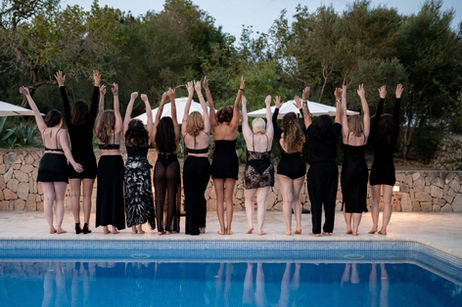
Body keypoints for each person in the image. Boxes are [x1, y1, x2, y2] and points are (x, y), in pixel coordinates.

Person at [19, 86, 83, 234]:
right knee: (59, 199)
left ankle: (50, 227)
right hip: (58, 162)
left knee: (48, 198)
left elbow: (35, 112)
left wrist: (28, 96)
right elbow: (66, 150)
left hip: (45, 161)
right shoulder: (61, 132)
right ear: (60, 120)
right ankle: (59, 227)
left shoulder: (44, 130)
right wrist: (74, 164)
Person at [54, 70, 100, 234]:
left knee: (74, 195)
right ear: (86, 111)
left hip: (74, 160)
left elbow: (65, 105)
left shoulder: (71, 123)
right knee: (87, 196)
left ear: (74, 111)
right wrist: (96, 84)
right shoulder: (89, 122)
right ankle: (87, 225)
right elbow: (95, 105)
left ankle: (76, 224)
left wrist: (61, 85)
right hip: (89, 160)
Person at [301, 86, 342, 237]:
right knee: (330, 200)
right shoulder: (334, 133)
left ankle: (316, 231)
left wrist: (304, 100)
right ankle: (328, 230)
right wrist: (338, 99)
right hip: (331, 169)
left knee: (316, 200)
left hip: (316, 170)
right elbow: (339, 115)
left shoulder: (313, 133)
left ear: (317, 124)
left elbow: (306, 117)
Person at [209, 77, 244, 235]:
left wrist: (206, 89)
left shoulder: (215, 128)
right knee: (229, 198)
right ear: (230, 116)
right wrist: (240, 89)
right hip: (230, 161)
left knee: (219, 198)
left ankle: (221, 228)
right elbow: (236, 106)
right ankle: (229, 229)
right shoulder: (233, 127)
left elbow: (210, 106)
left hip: (218, 161)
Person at [369, 84, 403, 235]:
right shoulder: (393, 136)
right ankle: (383, 228)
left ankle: (375, 226)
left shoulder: (376, 136)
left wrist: (381, 98)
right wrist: (397, 98)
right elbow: (397, 119)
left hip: (377, 168)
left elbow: (376, 120)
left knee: (376, 201)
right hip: (389, 168)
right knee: (387, 201)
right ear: (392, 126)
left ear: (380, 125)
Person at [273, 96, 307, 235]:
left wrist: (276, 108)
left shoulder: (281, 135)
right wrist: (300, 107)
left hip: (285, 168)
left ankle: (288, 229)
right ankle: (298, 226)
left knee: (287, 200)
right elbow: (307, 121)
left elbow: (272, 122)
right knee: (296, 199)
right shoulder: (302, 135)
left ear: (285, 124)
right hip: (299, 166)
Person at [94, 83, 125, 234]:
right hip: (116, 162)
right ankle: (114, 226)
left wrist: (102, 95)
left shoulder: (98, 131)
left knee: (103, 192)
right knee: (116, 193)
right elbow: (118, 111)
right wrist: (115, 95)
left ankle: (104, 227)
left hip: (104, 163)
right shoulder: (117, 131)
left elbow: (100, 113)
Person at [123, 91, 155, 234]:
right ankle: (140, 227)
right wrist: (146, 101)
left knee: (131, 196)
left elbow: (126, 117)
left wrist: (132, 99)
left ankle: (133, 227)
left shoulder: (127, 136)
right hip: (142, 169)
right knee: (141, 196)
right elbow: (150, 117)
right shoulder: (146, 137)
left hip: (129, 168)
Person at [242, 94, 274, 235]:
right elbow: (270, 120)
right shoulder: (269, 136)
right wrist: (267, 104)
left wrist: (244, 104)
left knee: (249, 200)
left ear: (254, 127)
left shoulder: (250, 137)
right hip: (266, 169)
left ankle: (250, 225)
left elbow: (244, 120)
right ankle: (260, 229)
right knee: (261, 201)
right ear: (263, 127)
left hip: (252, 169)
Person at [340, 84, 370, 236]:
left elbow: (343, 115)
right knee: (358, 198)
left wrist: (344, 94)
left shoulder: (347, 135)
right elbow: (366, 114)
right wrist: (362, 96)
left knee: (347, 197)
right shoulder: (364, 136)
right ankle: (356, 230)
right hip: (361, 170)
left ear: (351, 125)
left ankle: (348, 227)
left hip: (348, 169)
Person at [182, 79, 211, 235]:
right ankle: (202, 226)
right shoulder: (205, 132)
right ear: (200, 121)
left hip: (190, 163)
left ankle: (191, 227)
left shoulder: (185, 133)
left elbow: (185, 114)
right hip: (203, 164)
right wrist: (199, 92)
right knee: (200, 195)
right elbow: (206, 111)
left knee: (190, 196)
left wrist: (190, 95)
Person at [152, 88, 180, 235]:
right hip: (172, 164)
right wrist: (172, 99)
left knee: (159, 197)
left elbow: (156, 119)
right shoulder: (175, 136)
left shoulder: (156, 135)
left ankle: (160, 229)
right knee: (171, 197)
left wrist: (163, 101)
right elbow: (174, 118)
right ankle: (169, 228)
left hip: (160, 163)